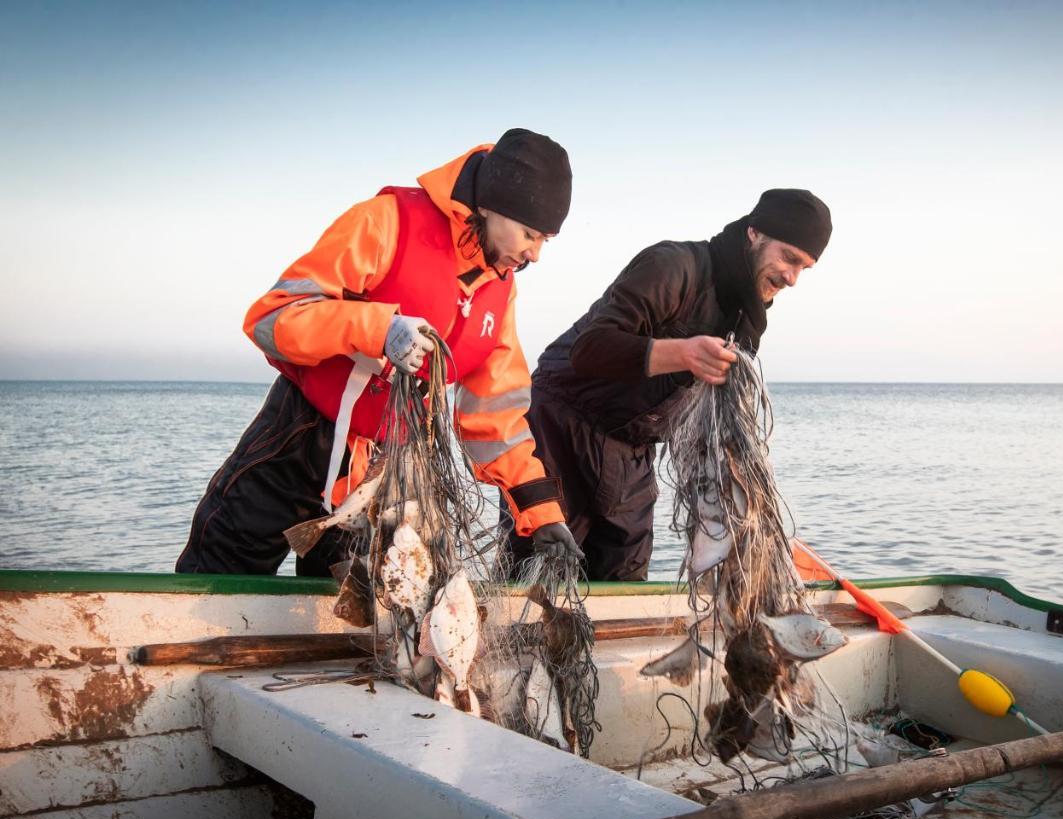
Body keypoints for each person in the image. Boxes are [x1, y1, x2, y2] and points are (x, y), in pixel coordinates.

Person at [177, 129, 581, 576]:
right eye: (530, 234)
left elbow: (496, 418)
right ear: (488, 205)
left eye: (546, 240)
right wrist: (378, 328)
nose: (537, 254)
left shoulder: (499, 294)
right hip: (300, 437)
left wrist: (542, 514)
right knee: (220, 572)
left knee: (347, 611)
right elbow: (271, 320)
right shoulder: (386, 222)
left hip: (387, 472)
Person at [509, 189, 832, 580]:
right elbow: (589, 349)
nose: (793, 278)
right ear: (754, 234)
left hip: (632, 449)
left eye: (805, 268)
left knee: (624, 575)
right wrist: (682, 353)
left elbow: (720, 425)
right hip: (559, 424)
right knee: (542, 571)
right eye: (789, 258)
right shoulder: (674, 266)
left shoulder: (746, 321)